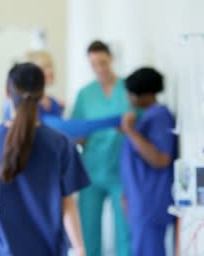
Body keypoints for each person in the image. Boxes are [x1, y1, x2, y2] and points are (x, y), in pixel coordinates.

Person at [0, 63, 90, 256]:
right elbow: (68, 204)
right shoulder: (60, 144)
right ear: (42, 95)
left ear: (7, 93)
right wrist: (80, 249)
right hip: (48, 249)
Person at [71, 40, 130, 256]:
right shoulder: (85, 94)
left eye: (103, 62)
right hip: (92, 171)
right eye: (94, 64)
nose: (99, 68)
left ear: (111, 59)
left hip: (121, 170)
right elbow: (77, 133)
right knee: (88, 231)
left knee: (124, 231)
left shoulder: (127, 89)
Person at [119, 67, 177, 256]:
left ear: (145, 94)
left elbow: (161, 158)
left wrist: (130, 131)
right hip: (141, 203)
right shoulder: (147, 117)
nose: (128, 97)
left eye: (130, 93)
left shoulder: (161, 117)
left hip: (150, 204)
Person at [4, 50, 64, 120]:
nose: (50, 71)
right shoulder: (21, 103)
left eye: (50, 66)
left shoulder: (54, 102)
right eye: (44, 67)